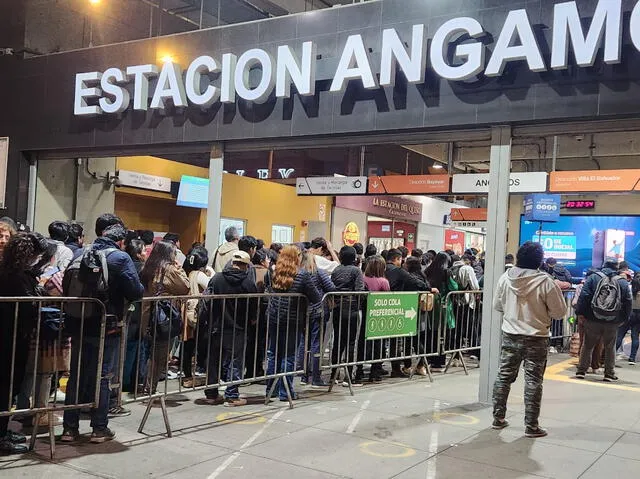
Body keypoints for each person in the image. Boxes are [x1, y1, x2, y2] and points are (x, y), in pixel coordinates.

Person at [62, 220, 144, 444]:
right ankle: (99, 428)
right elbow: (136, 291)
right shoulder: (119, 257)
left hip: (79, 322)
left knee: (76, 375)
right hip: (106, 325)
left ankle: (69, 429)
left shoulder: (81, 253)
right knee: (103, 375)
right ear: (121, 241)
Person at [492, 241, 566, 438]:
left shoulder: (505, 278)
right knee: (533, 381)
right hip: (537, 337)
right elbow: (559, 312)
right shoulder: (546, 282)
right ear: (539, 261)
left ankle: (498, 418)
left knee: (504, 376)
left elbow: (497, 305)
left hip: (510, 335)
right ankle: (531, 426)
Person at [0, 233, 50, 454]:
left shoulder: (8, 270)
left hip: (10, 335)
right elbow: (28, 307)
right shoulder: (18, 276)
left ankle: (3, 428)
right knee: (6, 386)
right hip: (10, 337)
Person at [200, 251, 257, 407]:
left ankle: (211, 394)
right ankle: (232, 396)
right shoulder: (248, 283)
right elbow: (253, 310)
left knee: (213, 360)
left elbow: (206, 301)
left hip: (216, 326)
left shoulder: (217, 278)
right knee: (235, 361)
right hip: (238, 328)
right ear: (246, 266)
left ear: (232, 263)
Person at [265, 246, 321, 401]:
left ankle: (271, 389)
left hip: (274, 317)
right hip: (293, 319)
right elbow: (316, 297)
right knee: (289, 356)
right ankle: (286, 392)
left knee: (273, 354)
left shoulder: (274, 272)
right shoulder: (302, 274)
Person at [139, 240, 190, 394]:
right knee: (160, 355)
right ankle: (150, 387)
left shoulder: (147, 267)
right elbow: (184, 287)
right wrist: (179, 269)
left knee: (147, 352)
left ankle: (142, 384)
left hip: (146, 314)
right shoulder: (168, 269)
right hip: (162, 317)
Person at [575, 260, 632, 382]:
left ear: (603, 266)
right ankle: (609, 373)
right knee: (610, 347)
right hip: (613, 320)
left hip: (592, 317)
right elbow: (628, 301)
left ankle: (581, 370)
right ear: (616, 268)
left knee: (587, 345)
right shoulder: (622, 282)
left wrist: (580, 313)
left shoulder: (593, 277)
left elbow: (584, 296)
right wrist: (624, 318)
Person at [299, 250, 335, 387]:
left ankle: (304, 375)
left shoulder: (299, 274)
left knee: (304, 343)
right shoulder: (319, 273)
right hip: (318, 311)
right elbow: (331, 287)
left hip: (303, 312)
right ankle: (315, 377)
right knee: (316, 344)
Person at [331, 246, 366, 386]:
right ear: (354, 258)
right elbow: (359, 290)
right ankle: (348, 376)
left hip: (337, 309)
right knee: (351, 342)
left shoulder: (336, 270)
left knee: (338, 342)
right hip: (351, 309)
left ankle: (334, 374)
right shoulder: (356, 271)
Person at [181, 246, 210, 388]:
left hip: (185, 312)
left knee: (187, 345)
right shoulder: (200, 275)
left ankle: (186, 373)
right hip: (198, 313)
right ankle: (200, 371)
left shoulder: (186, 272)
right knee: (200, 344)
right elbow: (211, 286)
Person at [363, 255, 390, 381]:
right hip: (379, 317)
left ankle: (359, 370)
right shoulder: (383, 282)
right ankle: (375, 371)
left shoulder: (363, 279)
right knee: (378, 345)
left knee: (364, 342)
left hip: (364, 315)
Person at [616, 271, 640, 365]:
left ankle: (611, 355)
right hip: (639, 316)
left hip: (628, 314)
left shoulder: (629, 288)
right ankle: (632, 358)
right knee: (635, 336)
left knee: (620, 335)